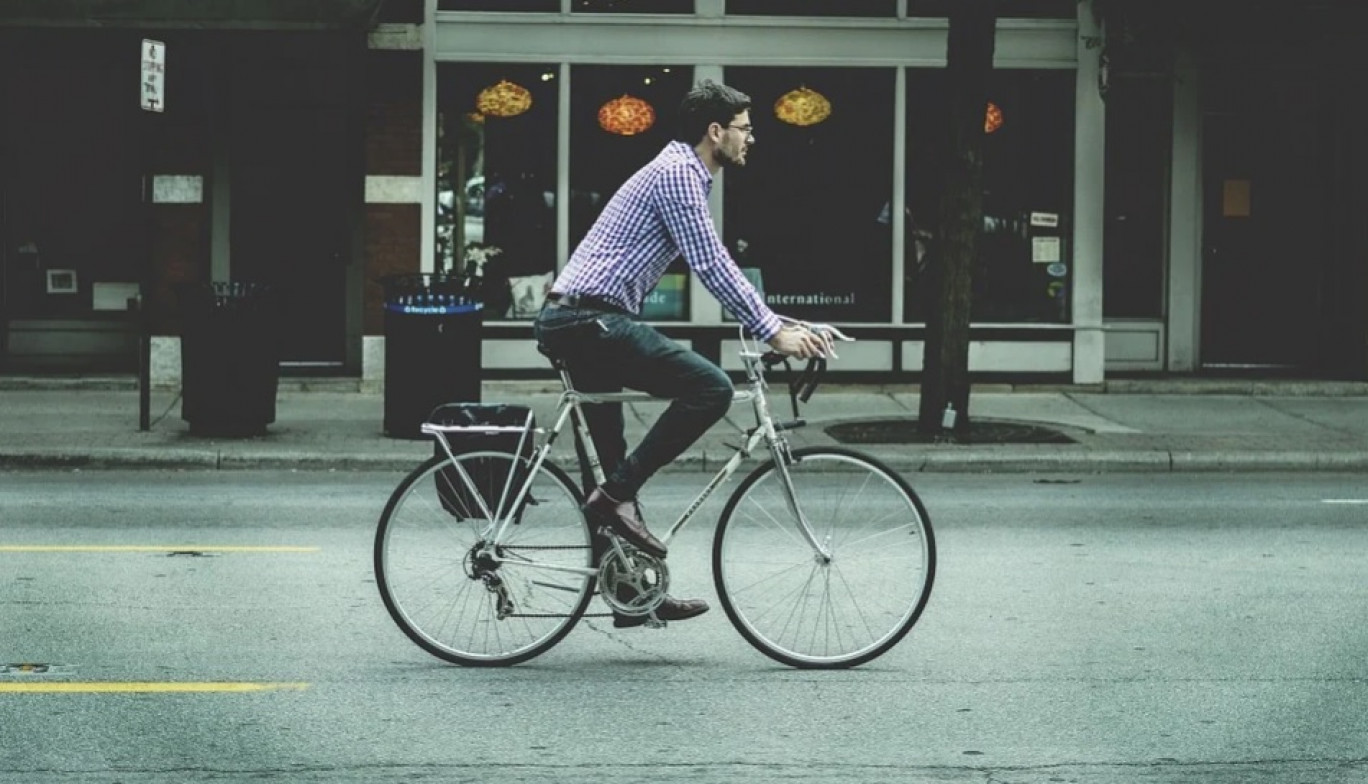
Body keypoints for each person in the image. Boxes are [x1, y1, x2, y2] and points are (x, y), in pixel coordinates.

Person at [533, 80, 828, 628]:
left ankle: (629, 590)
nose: (752, 138)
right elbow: (712, 264)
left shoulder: (681, 173)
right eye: (745, 127)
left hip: (584, 319)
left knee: (611, 459)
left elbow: (715, 267)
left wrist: (788, 324)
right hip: (587, 320)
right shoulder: (677, 177)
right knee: (710, 388)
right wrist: (770, 331)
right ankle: (614, 500)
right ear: (715, 131)